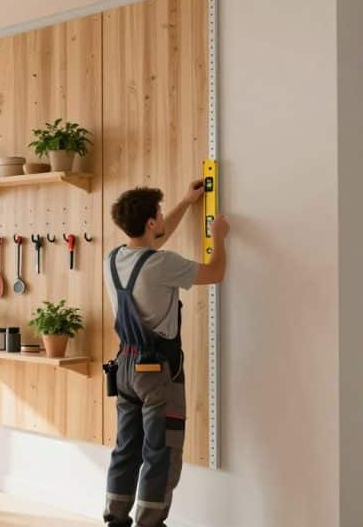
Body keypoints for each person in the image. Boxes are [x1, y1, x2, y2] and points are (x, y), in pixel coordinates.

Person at [102, 180, 229, 527]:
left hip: (125, 368)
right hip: (157, 372)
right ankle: (150, 523)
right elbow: (216, 272)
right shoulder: (163, 265)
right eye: (158, 213)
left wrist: (187, 202)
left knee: (126, 448)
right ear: (150, 223)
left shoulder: (113, 260)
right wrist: (218, 235)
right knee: (161, 451)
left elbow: (154, 239)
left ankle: (116, 518)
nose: (161, 217)